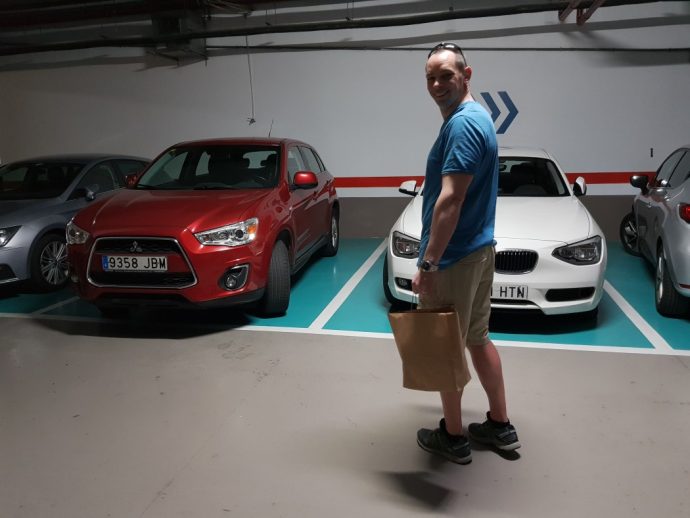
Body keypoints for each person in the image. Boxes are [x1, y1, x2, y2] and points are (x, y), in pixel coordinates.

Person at [412, 42, 520, 465]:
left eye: (446, 75)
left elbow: (451, 200)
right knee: (477, 338)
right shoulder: (477, 120)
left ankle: (453, 436)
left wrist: (428, 263)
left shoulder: (462, 126)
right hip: (478, 250)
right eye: (431, 77)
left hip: (454, 258)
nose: (437, 84)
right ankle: (499, 424)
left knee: (445, 348)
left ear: (467, 74)